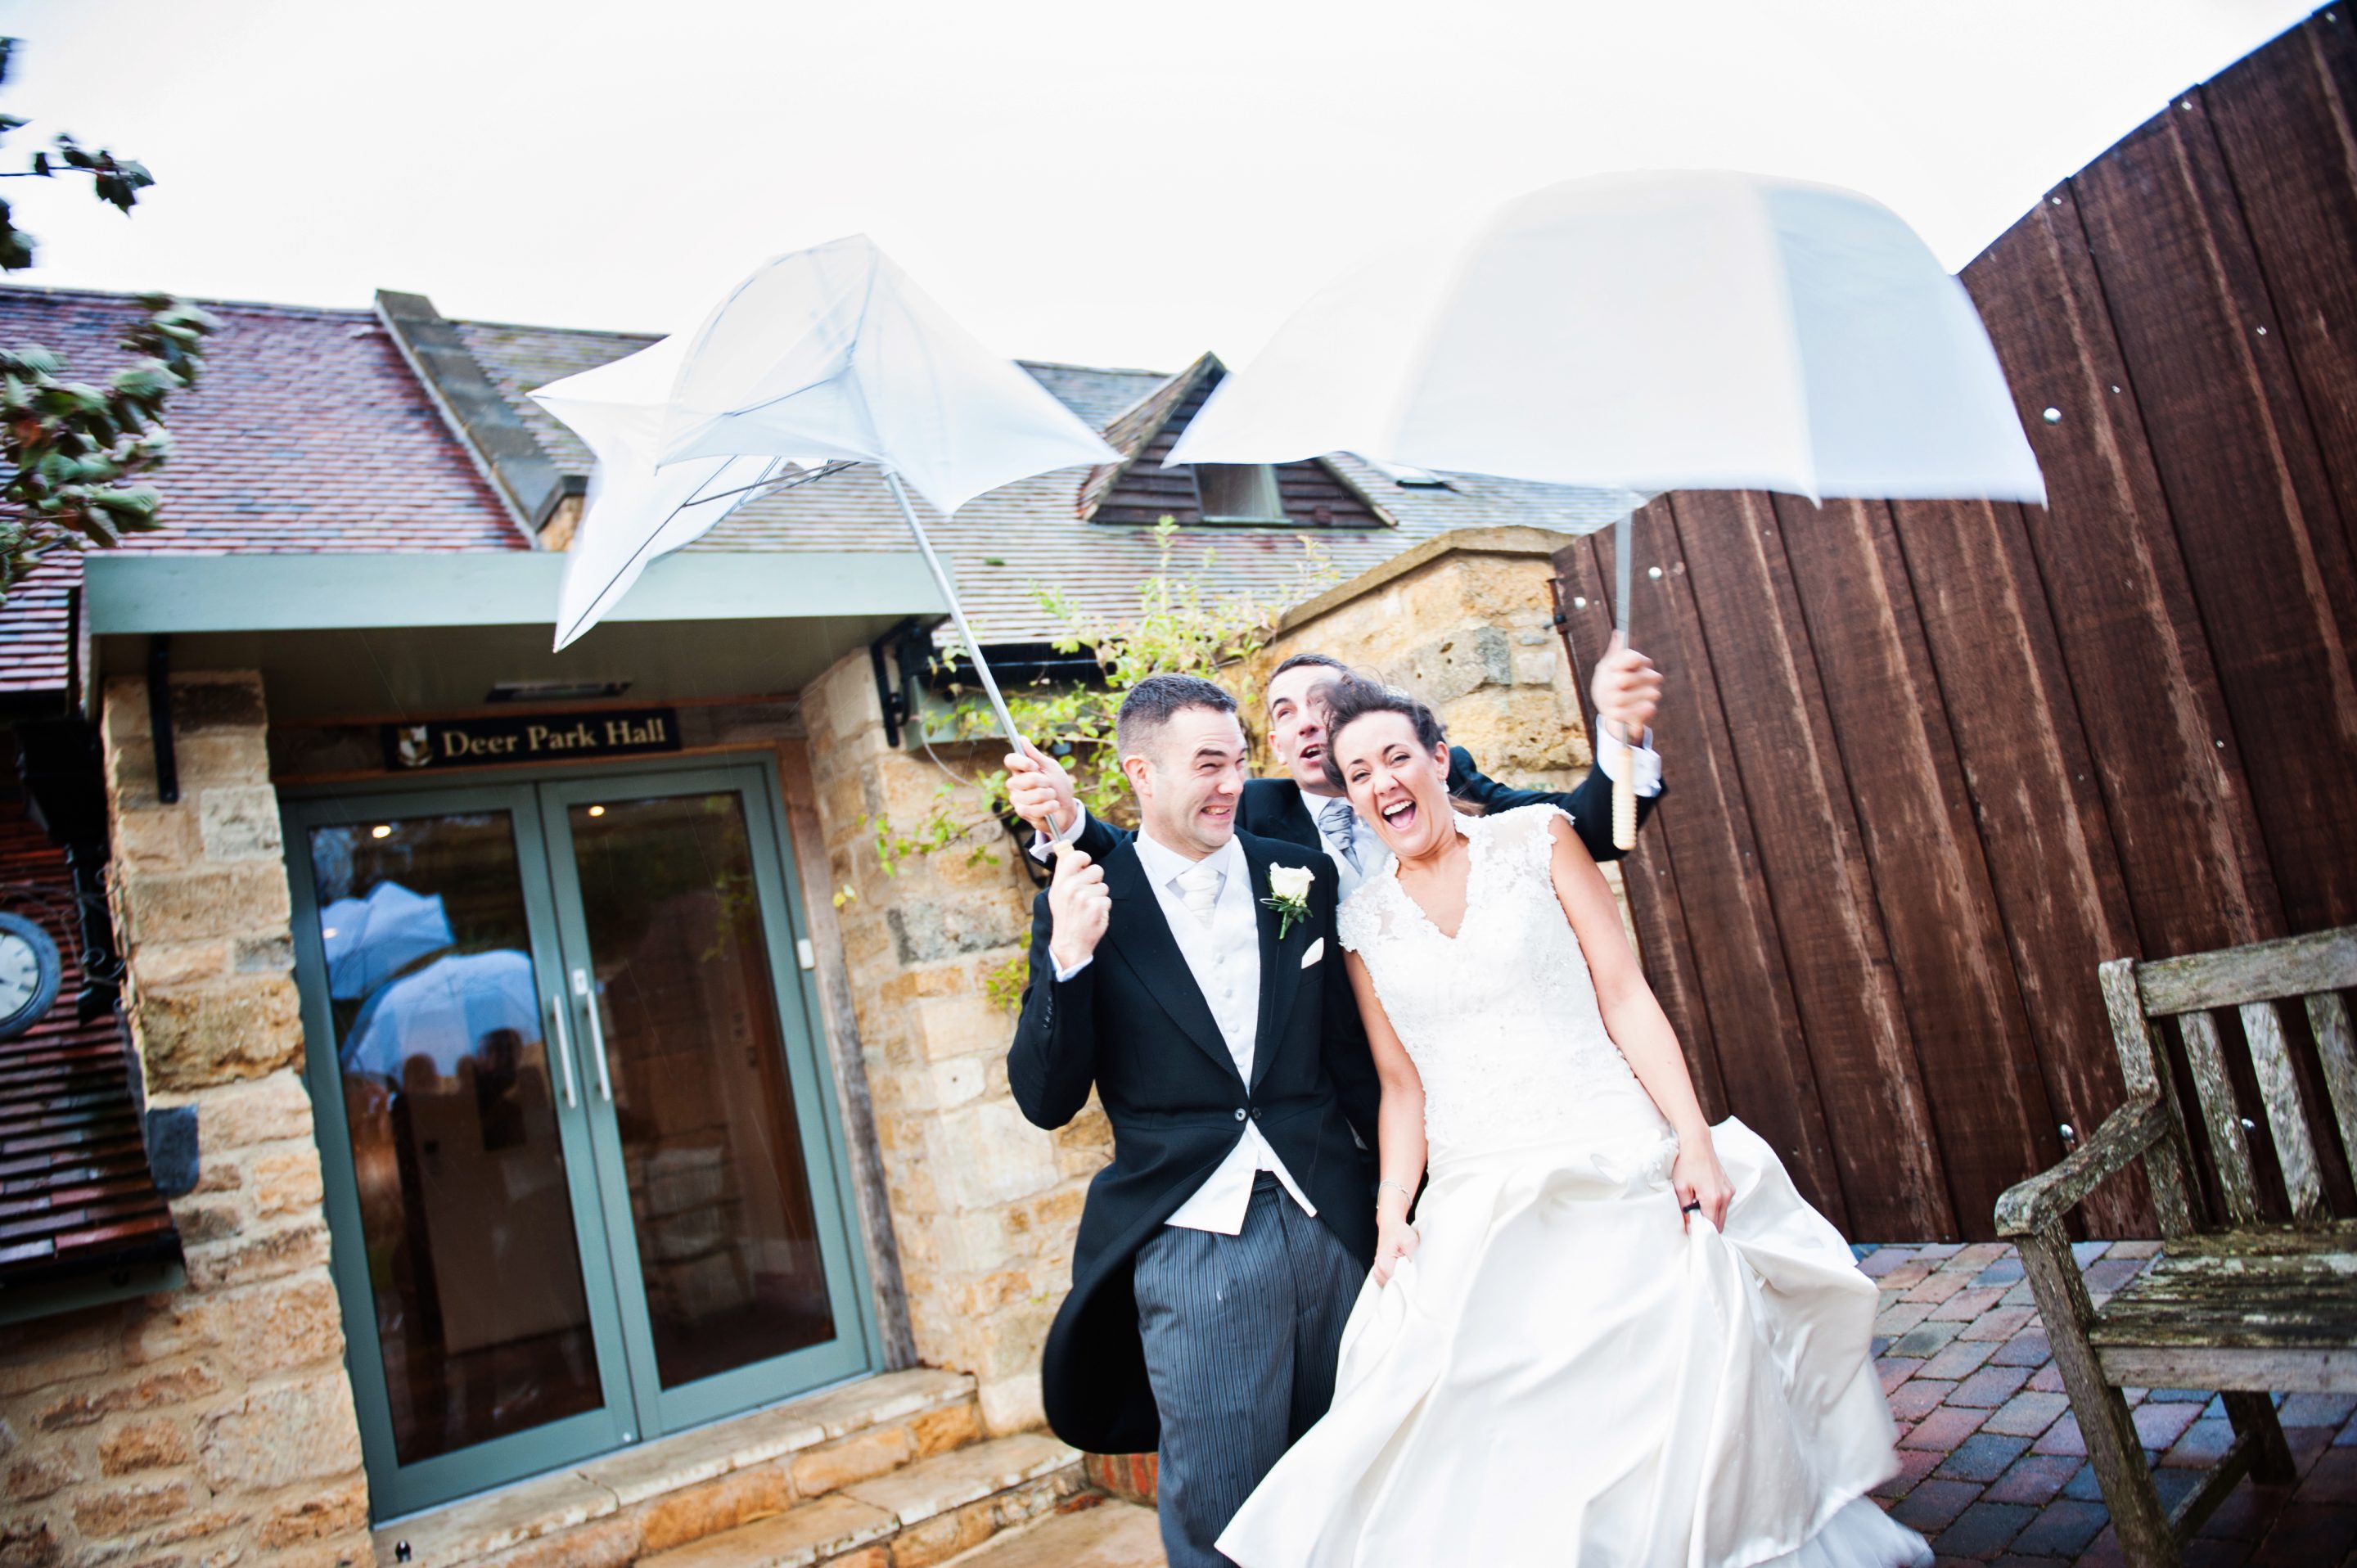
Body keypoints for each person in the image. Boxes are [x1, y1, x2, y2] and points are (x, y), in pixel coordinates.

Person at [1215, 675, 1931, 1568]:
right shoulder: (1359, 920)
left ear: (1441, 759)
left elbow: (1625, 994)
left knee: (1672, 1397)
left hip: (1615, 1156)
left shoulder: (1537, 837)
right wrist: (1394, 1210)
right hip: (1478, 1192)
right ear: (1349, 793)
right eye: (1360, 771)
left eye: (1399, 756)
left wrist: (1694, 1138)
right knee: (1498, 1423)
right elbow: (1402, 1087)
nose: (1383, 779)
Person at [1004, 674, 1382, 1568]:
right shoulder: (1086, 900)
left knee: (1364, 1483)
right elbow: (1046, 1098)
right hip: (1195, 1243)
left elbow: (1352, 1064)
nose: (1230, 783)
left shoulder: (1301, 873)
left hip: (1334, 1222)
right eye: (1208, 763)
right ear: (1141, 770)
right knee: (1223, 1515)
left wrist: (1407, 1202)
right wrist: (1068, 956)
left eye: (1239, 762)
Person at [1007, 636, 1665, 892]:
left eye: (1322, 704)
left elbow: (1593, 830)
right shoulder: (1256, 811)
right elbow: (1139, 852)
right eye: (1283, 713)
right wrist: (1067, 819)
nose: (1305, 722)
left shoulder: (1441, 776)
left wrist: (1620, 734)